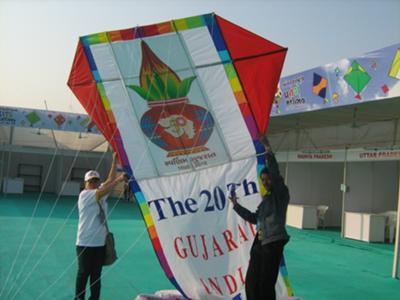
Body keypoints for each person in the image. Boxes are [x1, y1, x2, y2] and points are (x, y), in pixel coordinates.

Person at [230, 135, 290, 300]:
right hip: (261, 242)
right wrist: (236, 205)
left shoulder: (280, 194)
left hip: (273, 243)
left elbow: (276, 176)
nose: (265, 182)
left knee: (265, 282)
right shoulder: (266, 201)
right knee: (251, 281)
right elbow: (254, 218)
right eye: (263, 180)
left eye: (267, 179)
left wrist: (268, 151)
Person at [75, 153, 126, 300]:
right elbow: (106, 187)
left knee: (96, 274)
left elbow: (108, 181)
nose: (94, 182)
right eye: (91, 181)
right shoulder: (85, 195)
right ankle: (79, 298)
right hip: (85, 242)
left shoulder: (99, 191)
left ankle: (95, 298)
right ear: (86, 183)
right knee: (83, 272)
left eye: (96, 180)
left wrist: (114, 161)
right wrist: (119, 180)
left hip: (99, 242)